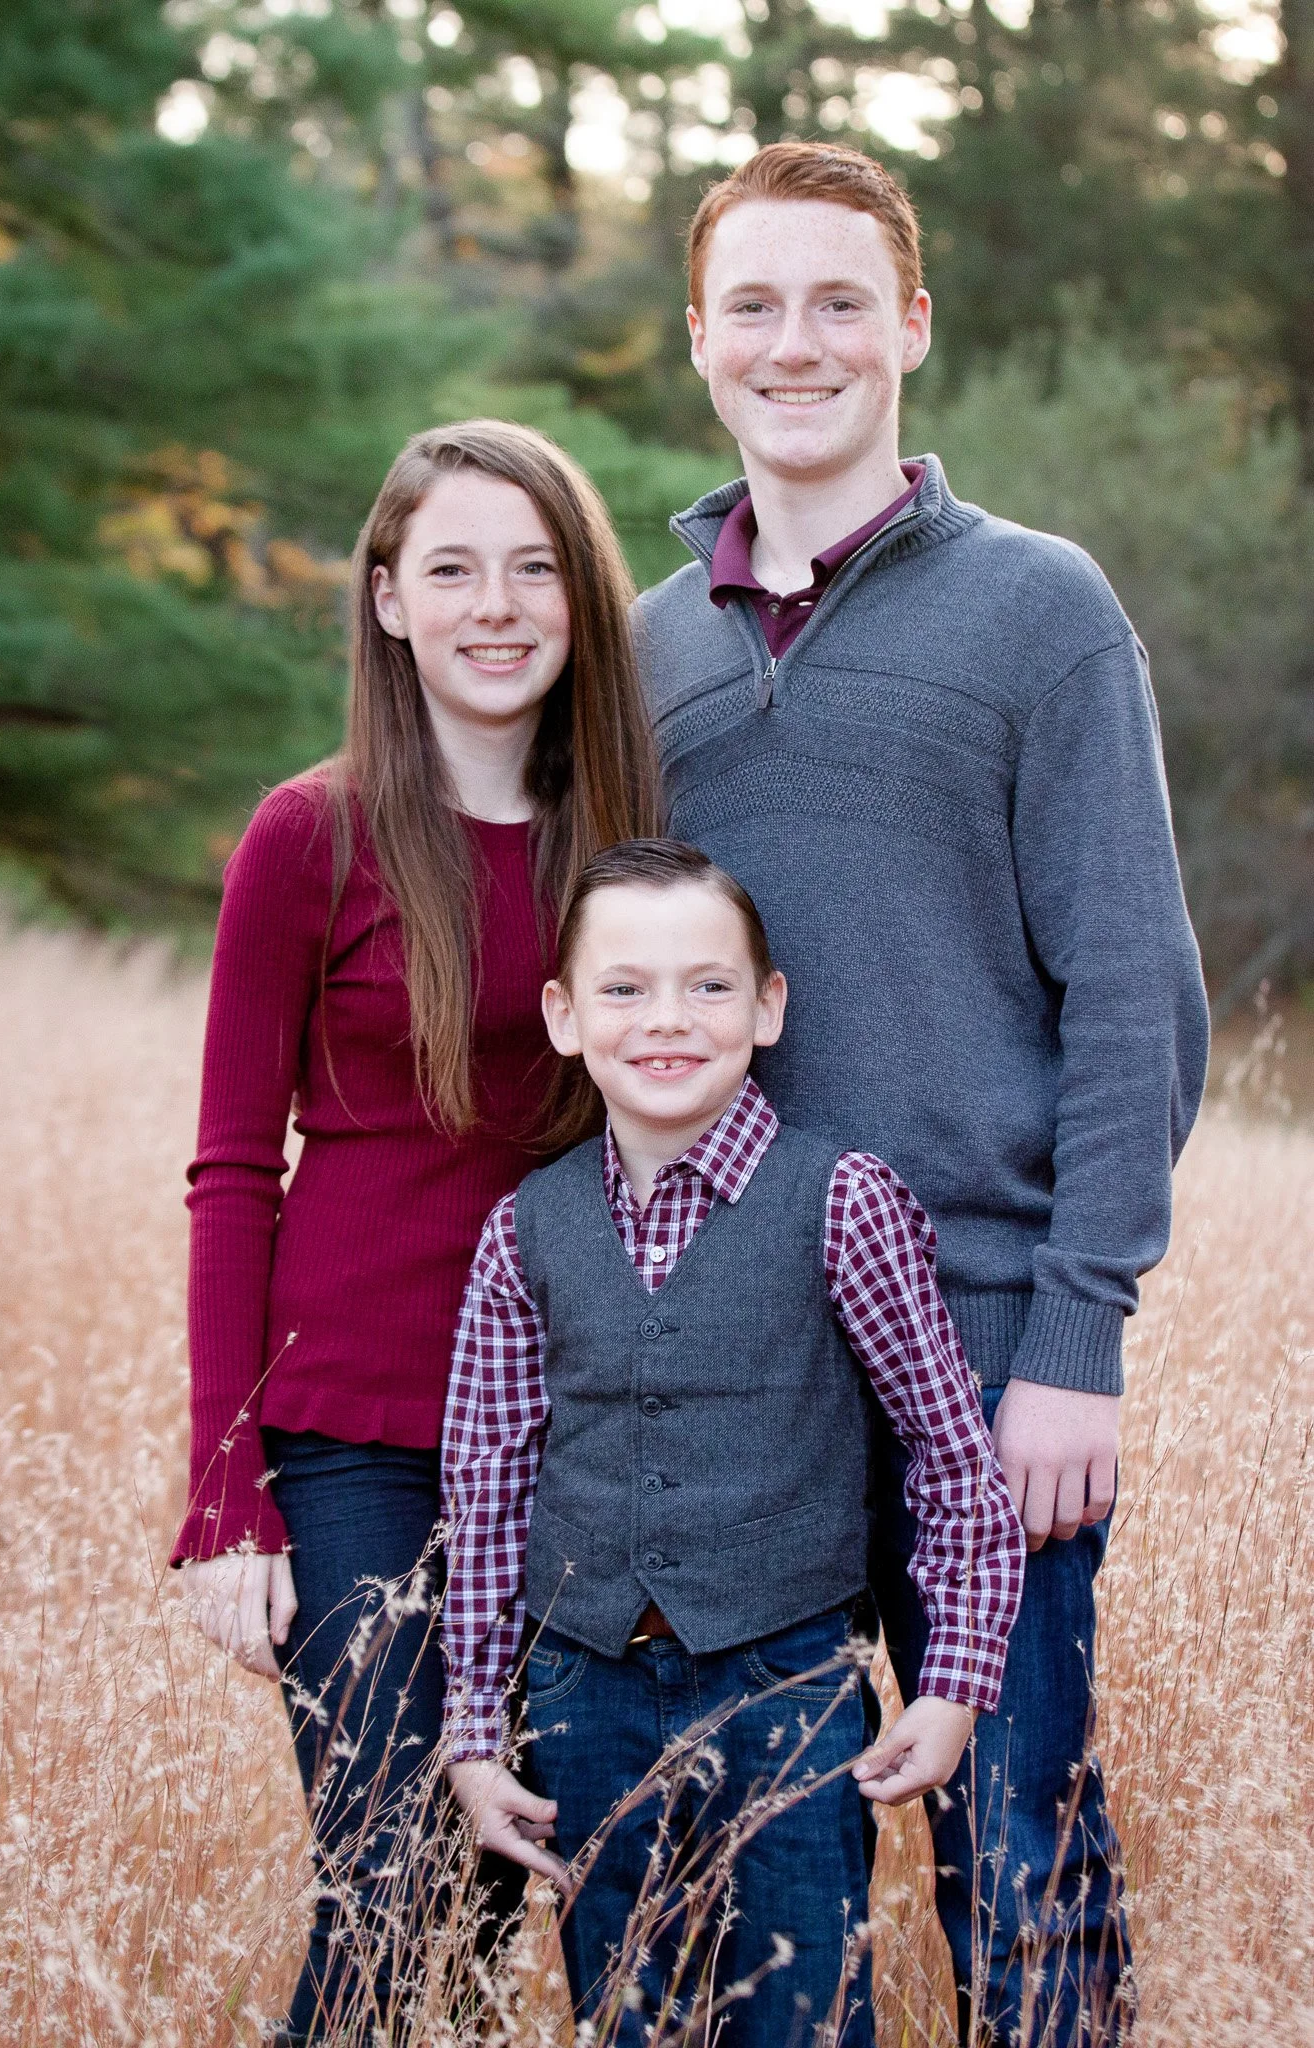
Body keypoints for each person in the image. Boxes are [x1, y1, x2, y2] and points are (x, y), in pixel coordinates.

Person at [632, 142, 1211, 2044]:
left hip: (982, 1357)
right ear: (698, 341)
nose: (797, 342)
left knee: (1020, 1847)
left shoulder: (1042, 613)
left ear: (913, 327)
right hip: (731, 1372)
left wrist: (1078, 1333)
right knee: (754, 1880)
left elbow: (1135, 993)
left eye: (838, 300)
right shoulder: (642, 653)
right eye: (755, 305)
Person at [172, 420, 660, 2044]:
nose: (496, 603)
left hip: (580, 1428)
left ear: (583, 601)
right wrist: (225, 1495)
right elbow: (235, 1167)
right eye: (452, 567)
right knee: (394, 1878)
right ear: (388, 600)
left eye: (533, 567)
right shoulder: (308, 834)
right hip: (358, 1433)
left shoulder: (634, 843)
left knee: (506, 1874)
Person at [441, 839, 1026, 2048]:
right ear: (562, 1016)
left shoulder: (844, 1198)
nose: (667, 1019)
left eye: (709, 985)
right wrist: (473, 1728)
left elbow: (948, 1452)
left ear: (768, 1008)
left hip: (789, 1683)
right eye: (623, 988)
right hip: (584, 1685)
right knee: (631, 2012)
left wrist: (957, 1676)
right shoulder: (524, 1230)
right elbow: (487, 1489)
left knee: (802, 2011)